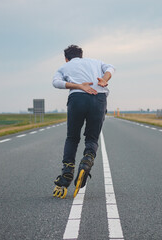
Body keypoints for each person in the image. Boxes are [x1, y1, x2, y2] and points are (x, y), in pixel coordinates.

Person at [52, 45, 115, 199]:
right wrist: (104, 79)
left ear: (66, 58)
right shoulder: (95, 62)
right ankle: (86, 161)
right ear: (81, 55)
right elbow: (111, 68)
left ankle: (67, 173)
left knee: (72, 137)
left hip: (77, 98)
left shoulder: (65, 66)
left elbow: (56, 82)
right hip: (99, 98)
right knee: (92, 138)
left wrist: (78, 85)